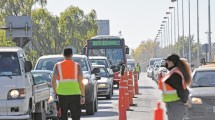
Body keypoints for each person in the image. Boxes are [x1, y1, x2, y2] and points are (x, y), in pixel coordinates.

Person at [52, 48, 85, 120]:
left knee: (62, 116)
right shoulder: (77, 66)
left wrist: (55, 93)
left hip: (62, 95)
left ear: (63, 55)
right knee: (76, 117)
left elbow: (53, 81)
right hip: (75, 95)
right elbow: (81, 82)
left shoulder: (58, 65)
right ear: (72, 55)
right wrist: (83, 96)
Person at [158, 54, 191, 120]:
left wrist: (185, 101)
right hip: (173, 104)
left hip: (176, 104)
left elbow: (180, 89)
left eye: (167, 62)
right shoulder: (174, 71)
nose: (166, 64)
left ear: (172, 62)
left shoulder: (175, 74)